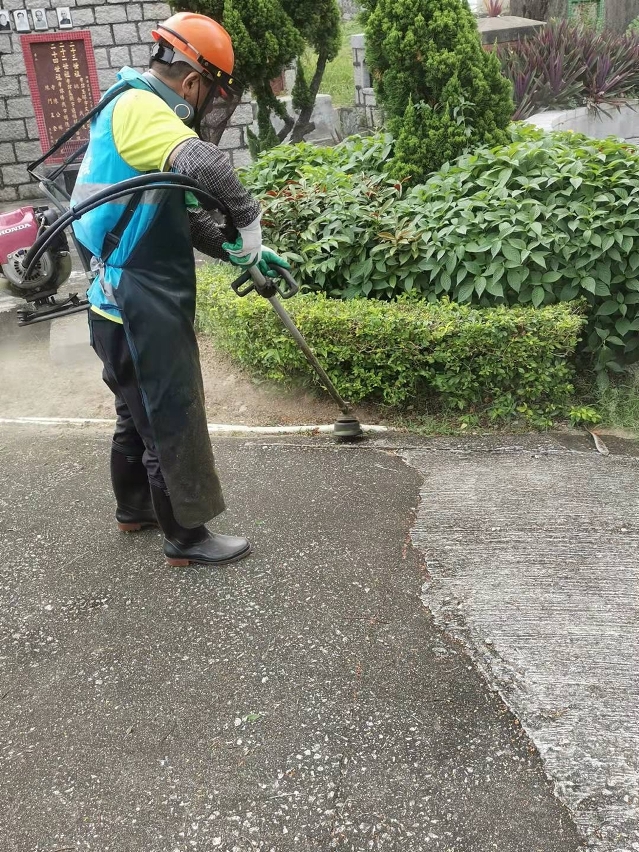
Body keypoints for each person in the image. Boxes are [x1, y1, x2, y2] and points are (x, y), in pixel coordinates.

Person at [71, 12, 289, 567]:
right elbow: (204, 165)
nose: (209, 105)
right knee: (169, 416)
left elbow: (174, 215)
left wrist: (237, 250)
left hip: (113, 303)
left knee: (136, 413)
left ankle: (135, 509)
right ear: (192, 81)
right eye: (211, 93)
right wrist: (249, 222)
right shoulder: (141, 107)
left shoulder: (129, 108)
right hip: (137, 302)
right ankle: (187, 537)